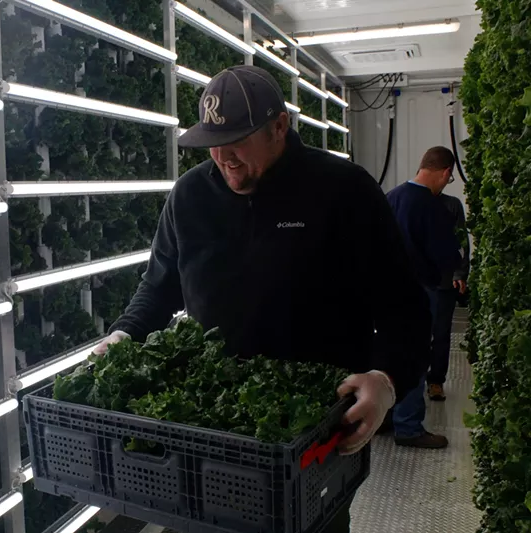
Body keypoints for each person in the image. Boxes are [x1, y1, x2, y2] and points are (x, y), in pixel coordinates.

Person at [95, 65, 431, 533]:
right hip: (212, 427)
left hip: (314, 431)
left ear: (279, 127)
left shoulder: (344, 190)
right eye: (213, 142)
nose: (223, 157)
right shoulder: (190, 196)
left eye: (237, 140)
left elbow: (404, 307)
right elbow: (158, 286)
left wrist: (387, 380)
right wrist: (123, 334)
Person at [384, 147, 464, 449]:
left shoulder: (391, 197)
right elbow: (447, 256)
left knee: (390, 354)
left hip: (388, 291)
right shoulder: (431, 207)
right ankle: (408, 426)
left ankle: (386, 417)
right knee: (415, 357)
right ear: (445, 173)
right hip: (419, 292)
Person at [427, 192, 470, 400]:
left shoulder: (452, 205)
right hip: (417, 281)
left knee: (441, 333)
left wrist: (460, 273)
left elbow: (461, 242)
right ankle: (411, 381)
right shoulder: (410, 200)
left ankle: (436, 381)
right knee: (415, 333)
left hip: (444, 282)